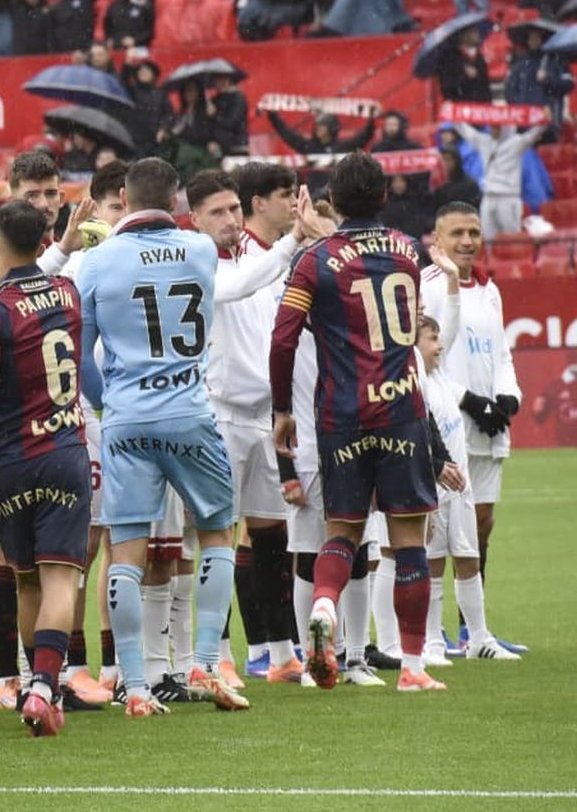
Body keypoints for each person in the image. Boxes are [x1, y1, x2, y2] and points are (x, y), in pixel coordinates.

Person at [271, 153, 456, 692]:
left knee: (343, 531)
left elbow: (283, 338)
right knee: (408, 541)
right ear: (383, 198)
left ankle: (324, 608)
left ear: (335, 194)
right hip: (401, 412)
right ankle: (414, 669)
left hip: (342, 415)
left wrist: (282, 409)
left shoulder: (313, 261)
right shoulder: (405, 250)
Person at [76, 157, 248, 716]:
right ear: (176, 200)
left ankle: (136, 685)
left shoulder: (97, 263)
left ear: (122, 197)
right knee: (219, 533)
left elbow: (80, 355)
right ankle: (202, 660)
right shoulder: (200, 250)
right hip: (189, 412)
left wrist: (108, 401)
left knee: (124, 551)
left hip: (126, 417)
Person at [0, 199, 93, 736]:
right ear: (45, 243)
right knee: (63, 577)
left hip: (12, 459)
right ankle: (44, 686)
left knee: (26, 581)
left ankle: (33, 684)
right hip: (63, 451)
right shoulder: (67, 292)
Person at [187, 166, 323, 686]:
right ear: (194, 218)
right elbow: (237, 289)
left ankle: (282, 652)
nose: (229, 220)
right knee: (216, 536)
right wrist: (293, 239)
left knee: (270, 536)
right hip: (218, 411)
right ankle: (216, 653)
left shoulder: (261, 258)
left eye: (233, 210)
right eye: (217, 212)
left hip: (264, 415)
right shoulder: (196, 260)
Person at [419, 202, 528, 655]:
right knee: (433, 531)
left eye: (474, 233)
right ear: (437, 239)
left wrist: (508, 395)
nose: (467, 241)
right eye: (457, 233)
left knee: (480, 525)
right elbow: (428, 354)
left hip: (488, 426)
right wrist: (469, 400)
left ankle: (472, 629)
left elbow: (500, 351)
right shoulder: (428, 288)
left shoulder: (490, 289)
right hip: (448, 423)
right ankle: (428, 631)